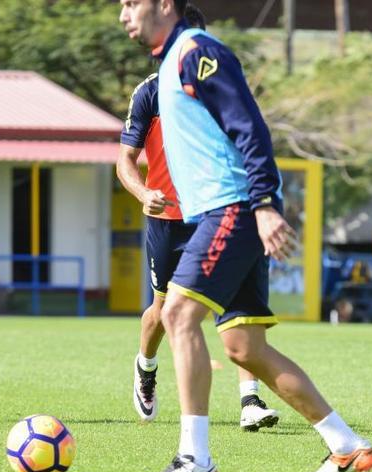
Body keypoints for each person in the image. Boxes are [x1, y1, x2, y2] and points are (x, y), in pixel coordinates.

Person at [118, 0, 372, 472]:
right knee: (243, 346)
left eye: (132, 3)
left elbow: (250, 127)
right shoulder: (168, 66)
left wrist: (262, 206)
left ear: (165, 5)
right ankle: (347, 446)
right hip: (219, 213)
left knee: (176, 313)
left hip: (232, 209)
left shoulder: (196, 53)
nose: (123, 14)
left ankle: (195, 461)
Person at [117, 4, 278, 431]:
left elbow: (246, 134)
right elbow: (124, 161)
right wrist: (142, 192)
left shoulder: (213, 76)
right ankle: (146, 366)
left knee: (236, 309)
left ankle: (249, 401)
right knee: (164, 309)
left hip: (216, 209)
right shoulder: (151, 91)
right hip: (169, 217)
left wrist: (261, 200)